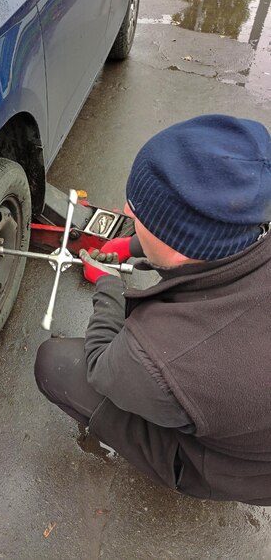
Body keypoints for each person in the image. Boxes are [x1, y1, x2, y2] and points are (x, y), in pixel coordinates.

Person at [34, 114, 271, 505]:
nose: (127, 211)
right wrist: (131, 247)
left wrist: (109, 284)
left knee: (56, 364)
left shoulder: (163, 359)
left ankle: (187, 464)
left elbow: (101, 363)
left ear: (176, 246)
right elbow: (192, 242)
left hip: (245, 471)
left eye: (138, 215)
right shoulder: (247, 225)